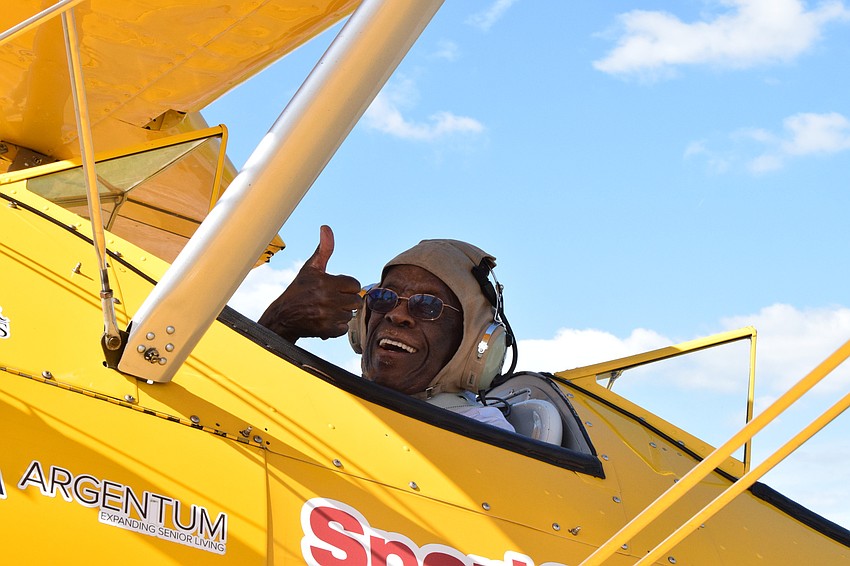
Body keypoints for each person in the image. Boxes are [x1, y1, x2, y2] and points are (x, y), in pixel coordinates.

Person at [259, 225, 514, 431]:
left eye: (427, 304)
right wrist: (280, 323)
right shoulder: (324, 399)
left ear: (473, 342)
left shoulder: (487, 436)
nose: (397, 314)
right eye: (384, 297)